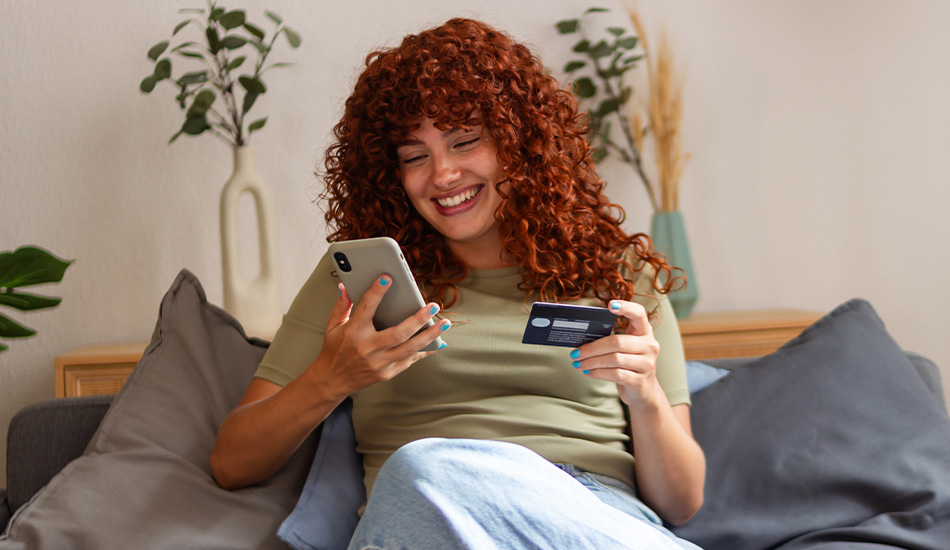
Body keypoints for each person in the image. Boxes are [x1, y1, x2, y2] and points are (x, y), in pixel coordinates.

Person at [210, 17, 705, 550]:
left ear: (522, 144)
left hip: (587, 510)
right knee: (421, 468)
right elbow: (232, 462)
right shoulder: (358, 280)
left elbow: (682, 501)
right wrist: (332, 379)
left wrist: (647, 395)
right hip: (424, 514)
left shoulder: (618, 269)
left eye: (465, 141)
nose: (442, 175)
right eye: (415, 157)